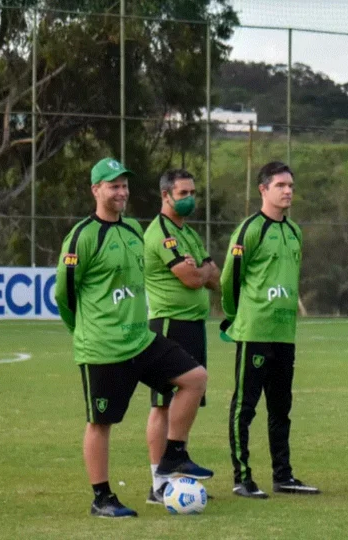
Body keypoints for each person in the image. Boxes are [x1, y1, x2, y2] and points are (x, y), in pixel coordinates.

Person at [54, 158, 211, 518]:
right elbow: (65, 294)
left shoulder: (134, 230)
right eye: (114, 186)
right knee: (101, 422)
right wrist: (83, 331)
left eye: (125, 185)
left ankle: (174, 455)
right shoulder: (82, 236)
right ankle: (102, 497)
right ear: (96, 190)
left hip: (141, 339)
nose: (122, 192)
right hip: (103, 346)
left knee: (195, 378)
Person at [221, 161, 319, 498]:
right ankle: (242, 477)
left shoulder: (294, 232)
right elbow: (229, 279)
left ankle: (284, 476)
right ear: (263, 189)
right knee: (244, 407)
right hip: (255, 332)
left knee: (281, 408)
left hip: (284, 334)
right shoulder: (250, 230)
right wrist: (237, 316)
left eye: (291, 185)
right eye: (280, 185)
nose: (288, 191)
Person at [142, 169, 220, 504]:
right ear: (166, 195)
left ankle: (175, 475)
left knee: (184, 403)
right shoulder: (161, 232)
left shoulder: (188, 233)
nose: (190, 198)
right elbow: (191, 278)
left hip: (194, 324)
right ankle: (158, 483)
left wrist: (201, 272)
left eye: (192, 192)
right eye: (183, 193)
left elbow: (212, 276)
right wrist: (201, 272)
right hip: (169, 324)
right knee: (163, 405)